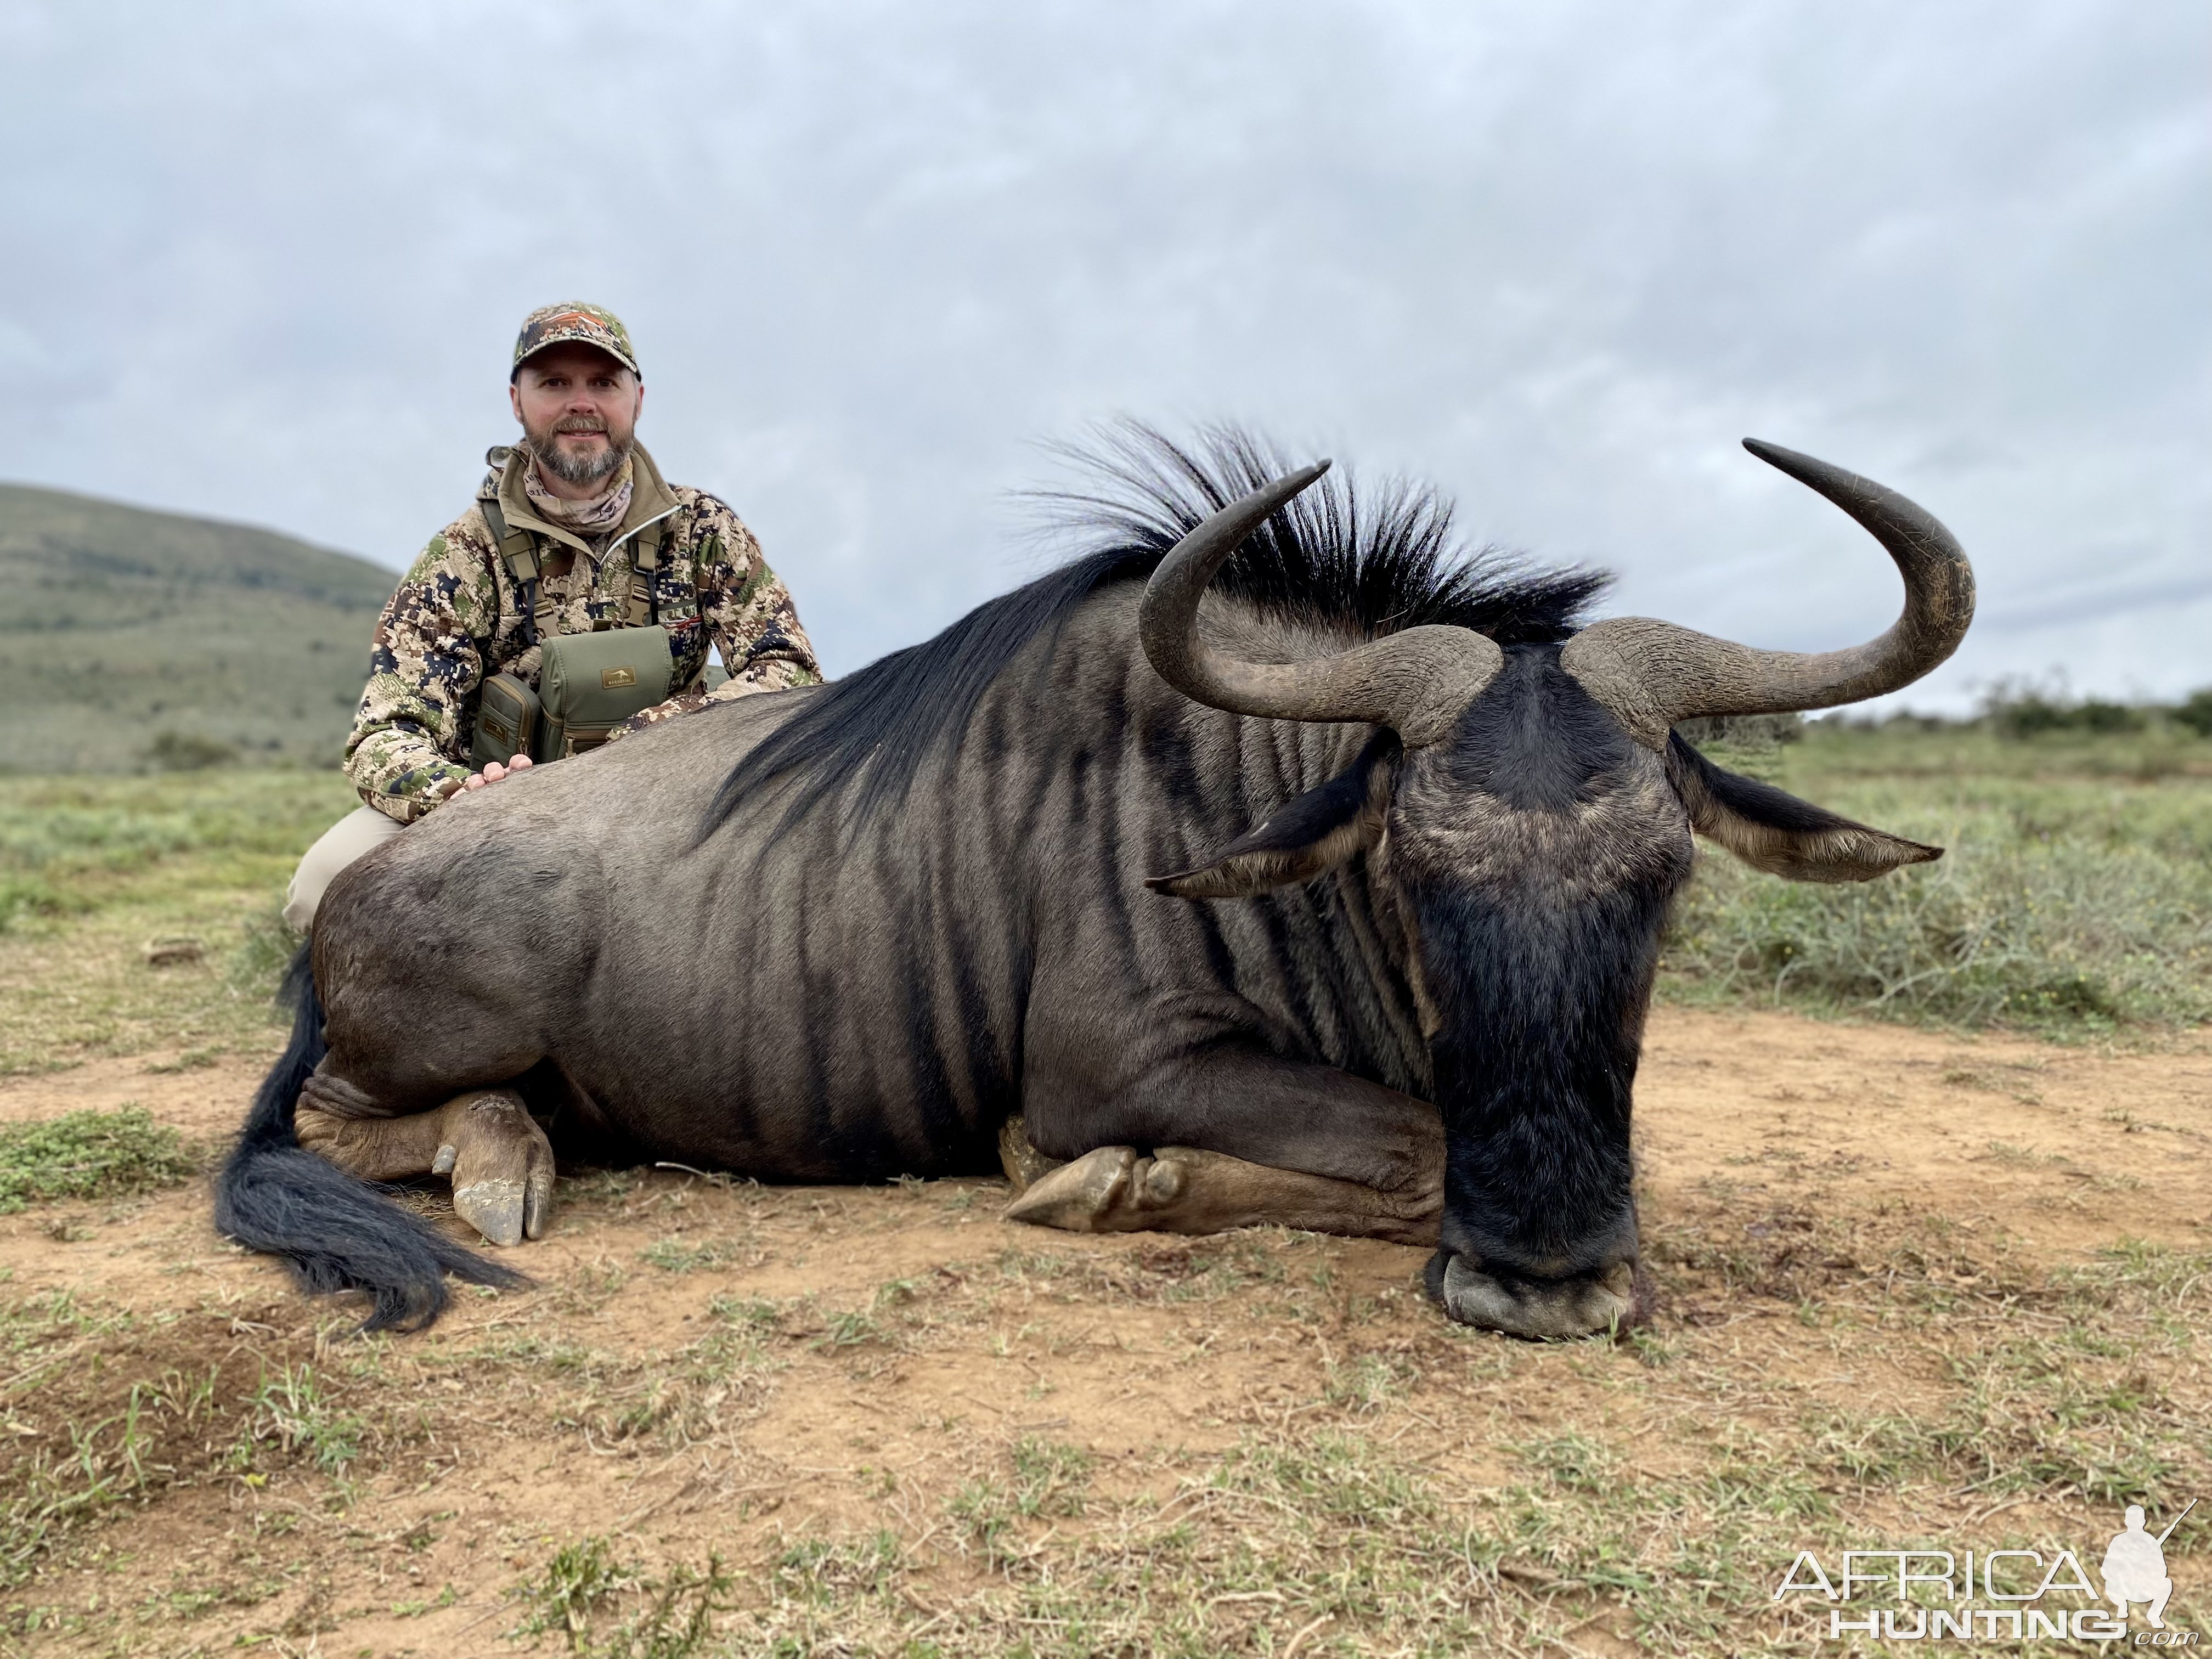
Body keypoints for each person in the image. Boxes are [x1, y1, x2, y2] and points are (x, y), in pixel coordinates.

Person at [283, 302, 820, 930]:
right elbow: (382, 738)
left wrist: (660, 737)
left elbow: (791, 672)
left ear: (637, 399)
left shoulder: (702, 528)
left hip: (669, 797)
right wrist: (466, 794)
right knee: (320, 889)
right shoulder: (464, 554)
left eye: (602, 383)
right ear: (517, 400)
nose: (581, 403)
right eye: (554, 383)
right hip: (499, 816)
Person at [2100, 1504, 2174, 1628]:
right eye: (2132, 1520)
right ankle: (2122, 1607)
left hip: (2143, 1587)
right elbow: (2106, 1568)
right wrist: (2124, 1568)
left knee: (2167, 1584)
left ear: (2144, 1522)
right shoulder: (2119, 1541)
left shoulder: (2151, 1542)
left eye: (2138, 1520)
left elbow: (2162, 1570)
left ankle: (2154, 1615)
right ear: (2126, 1522)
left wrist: (2146, 1568)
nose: (2135, 1523)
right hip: (2122, 1587)